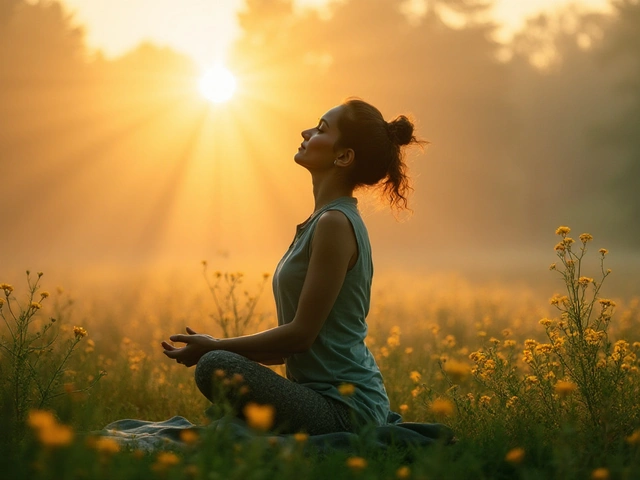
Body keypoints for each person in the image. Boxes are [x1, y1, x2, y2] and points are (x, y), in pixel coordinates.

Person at [162, 98, 423, 435]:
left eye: (321, 129)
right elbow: (294, 351)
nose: (306, 132)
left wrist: (215, 346)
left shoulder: (334, 224)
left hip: (346, 408)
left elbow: (300, 336)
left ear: (343, 156)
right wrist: (217, 347)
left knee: (216, 365)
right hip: (319, 396)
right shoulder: (322, 222)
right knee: (218, 363)